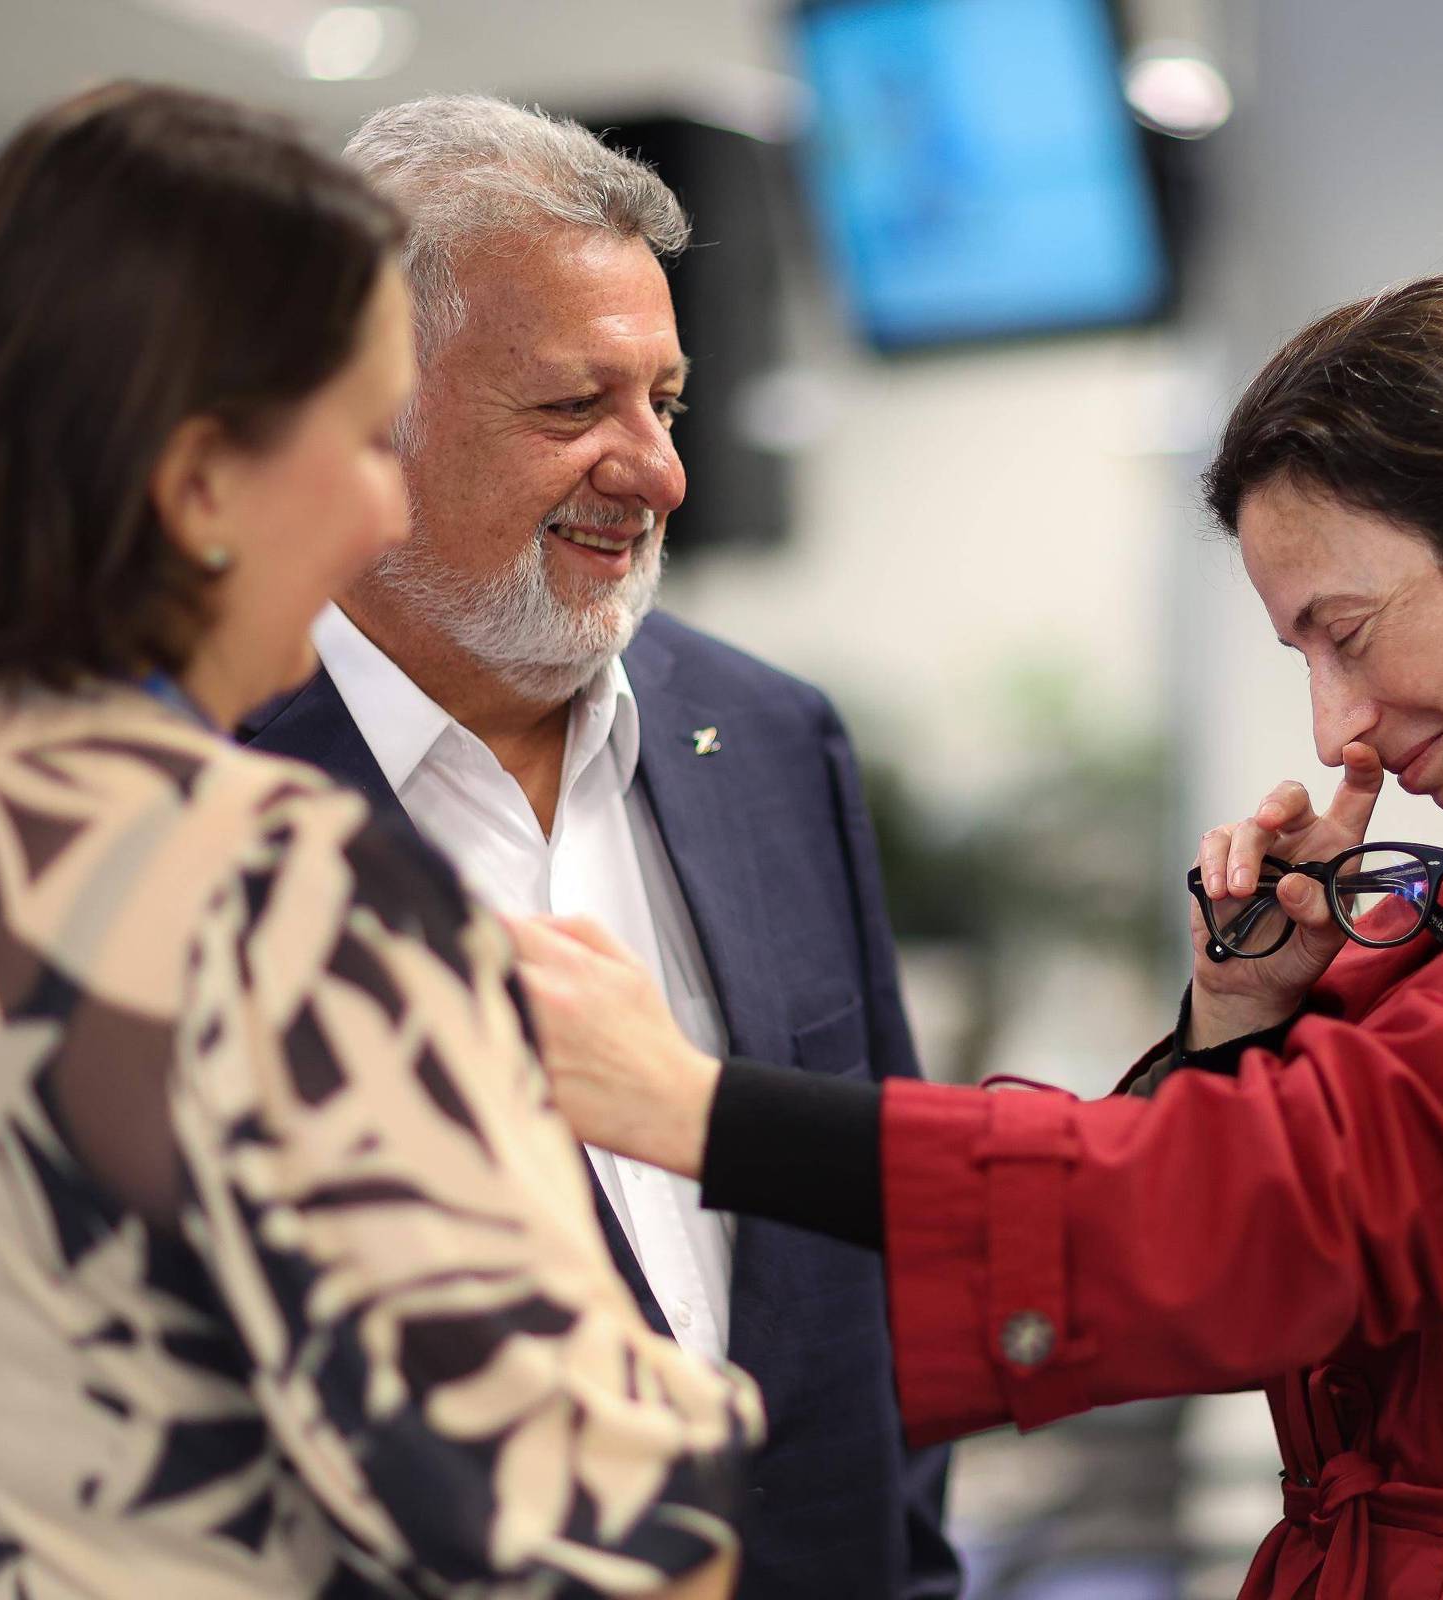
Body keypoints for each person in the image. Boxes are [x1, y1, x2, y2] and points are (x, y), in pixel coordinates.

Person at [513, 274, 1443, 1600]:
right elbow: (1251, 1211)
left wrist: (704, 1114)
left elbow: (1291, 1200)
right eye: (1303, 657)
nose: (1338, 726)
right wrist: (1238, 1019)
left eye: (1351, 631)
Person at [0, 84, 758, 1600]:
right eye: (370, 437)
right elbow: (600, 1521)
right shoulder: (267, 883)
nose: (385, 512)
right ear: (199, 485)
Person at [233, 95, 957, 1600]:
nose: (659, 473)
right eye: (575, 410)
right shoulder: (180, 801)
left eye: (668, 403)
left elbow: (880, 1241)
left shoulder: (769, 741)